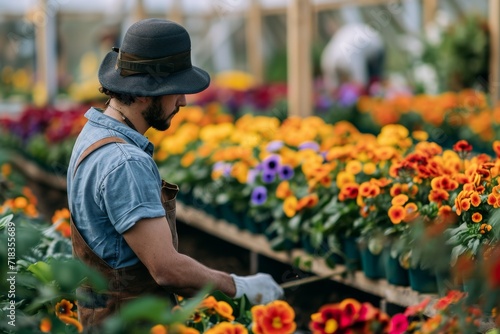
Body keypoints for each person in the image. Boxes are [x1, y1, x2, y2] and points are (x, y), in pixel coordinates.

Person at [67, 18, 284, 330]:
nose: (183, 100)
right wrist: (238, 286)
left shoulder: (93, 134)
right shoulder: (126, 162)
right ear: (142, 93)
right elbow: (167, 269)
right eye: (175, 90)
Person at [320, 22, 385, 95]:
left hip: (374, 45)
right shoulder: (327, 60)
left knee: (374, 85)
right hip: (352, 35)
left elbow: (361, 84)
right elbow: (332, 89)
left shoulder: (351, 57)